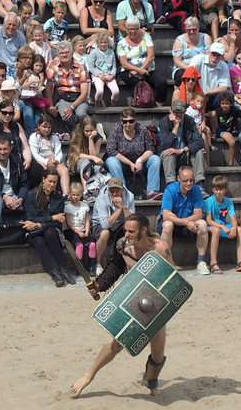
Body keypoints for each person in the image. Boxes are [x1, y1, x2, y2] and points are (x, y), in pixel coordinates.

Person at [70, 213, 172, 397]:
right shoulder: (123, 246)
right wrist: (99, 286)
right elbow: (115, 268)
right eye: (125, 230)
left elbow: (172, 280)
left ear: (143, 230)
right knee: (117, 344)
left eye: (131, 231)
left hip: (156, 305)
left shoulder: (160, 249)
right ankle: (88, 376)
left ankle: (150, 381)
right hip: (134, 302)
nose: (126, 234)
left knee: (157, 356)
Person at [160, 166, 210, 274]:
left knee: (202, 223)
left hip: (187, 224)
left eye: (191, 180)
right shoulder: (170, 189)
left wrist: (182, 220)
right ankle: (166, 262)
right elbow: (166, 215)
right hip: (175, 224)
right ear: (178, 179)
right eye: (185, 180)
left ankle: (201, 262)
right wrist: (185, 222)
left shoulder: (196, 189)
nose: (189, 183)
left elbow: (198, 214)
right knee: (168, 224)